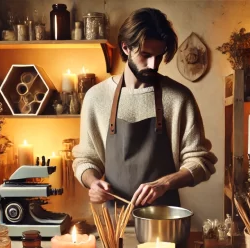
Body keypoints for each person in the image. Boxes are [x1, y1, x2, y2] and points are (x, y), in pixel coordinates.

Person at [72, 7, 217, 207]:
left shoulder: (178, 98)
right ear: (125, 48)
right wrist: (93, 183)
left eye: (159, 57)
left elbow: (200, 161)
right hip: (114, 223)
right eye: (145, 55)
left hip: (163, 222)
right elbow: (86, 159)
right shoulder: (96, 97)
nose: (153, 64)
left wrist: (165, 183)